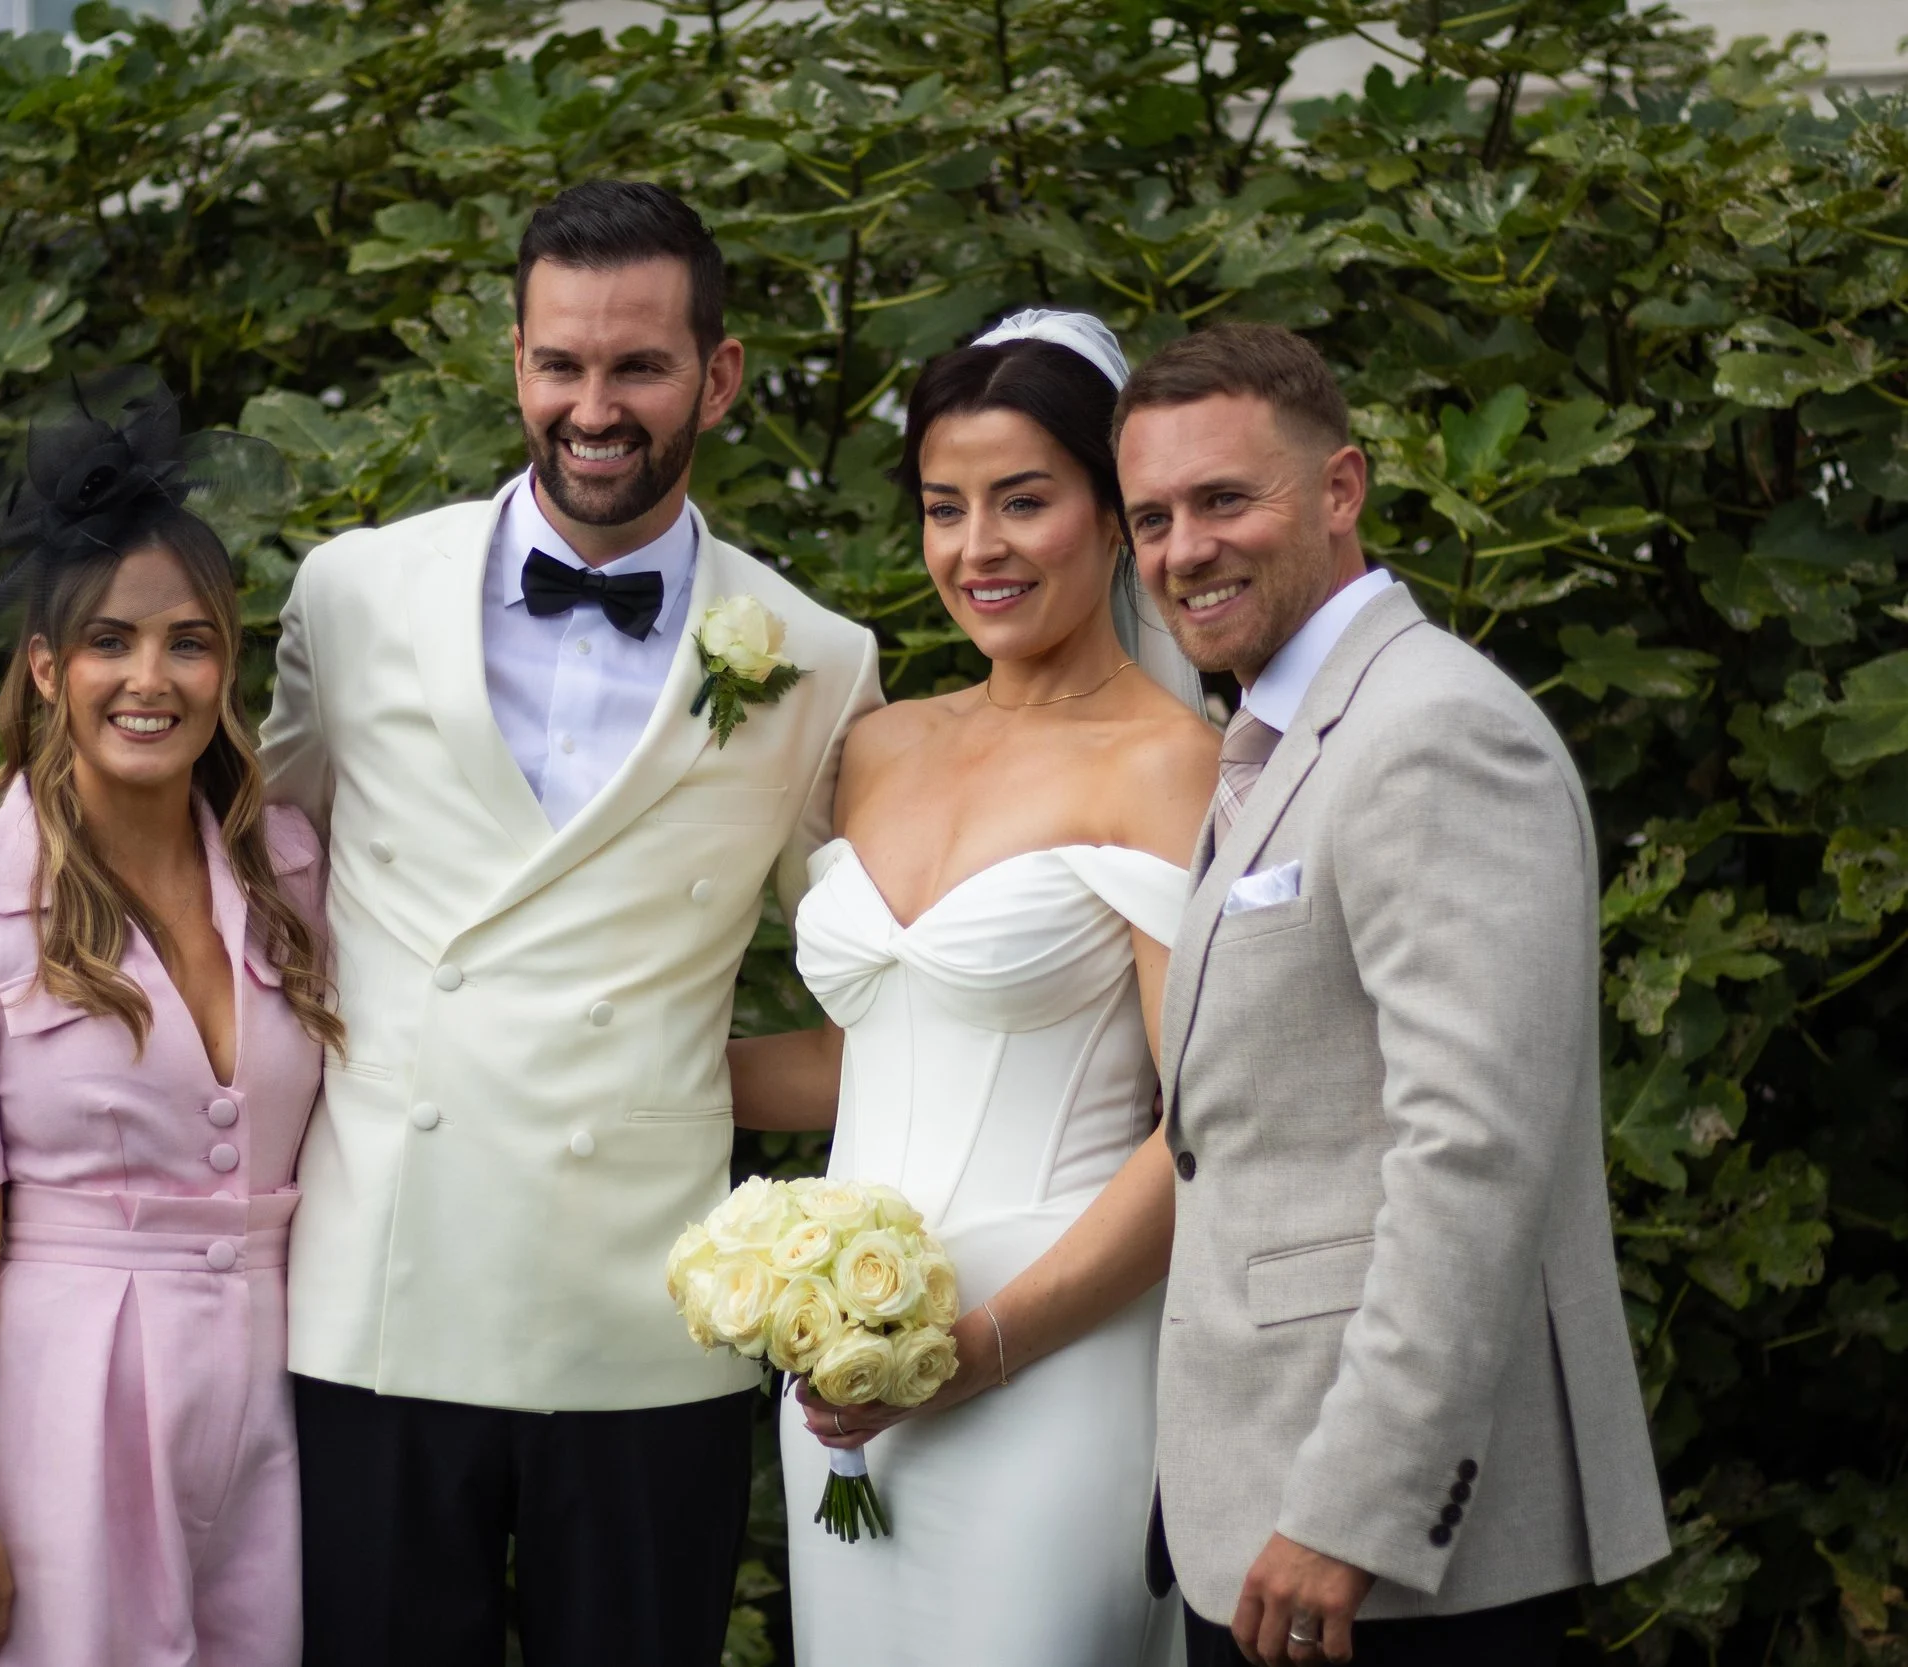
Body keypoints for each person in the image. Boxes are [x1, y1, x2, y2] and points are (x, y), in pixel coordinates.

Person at [260, 180, 882, 1667]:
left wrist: (678, 1082)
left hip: (646, 1318)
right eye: (561, 363)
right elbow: (236, 877)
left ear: (718, 377)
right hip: (380, 1295)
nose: (593, 409)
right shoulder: (350, 593)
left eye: (639, 367)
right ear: (517, 360)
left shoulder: (814, 660)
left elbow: (884, 1000)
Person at [1116, 322, 1670, 1666]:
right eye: (1152, 517)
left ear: (1341, 489)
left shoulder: (1433, 732)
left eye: (1224, 498)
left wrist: (1355, 1505)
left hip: (1384, 1555)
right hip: (1261, 1505)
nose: (1185, 548)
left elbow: (1471, 1151)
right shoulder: (1288, 731)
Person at [725, 310, 1215, 1663]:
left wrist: (977, 1346)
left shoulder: (1169, 764)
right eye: (946, 508)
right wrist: (625, 1067)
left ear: (1115, 515)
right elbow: (864, 1059)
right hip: (842, 1375)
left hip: (1052, 1365)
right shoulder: (880, 745)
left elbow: (1202, 1130)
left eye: (1023, 501)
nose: (977, 547)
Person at [0, 370, 332, 1667]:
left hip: (279, 1409)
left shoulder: (294, 873)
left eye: (189, 642)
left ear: (227, 666)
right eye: (112, 642)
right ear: (48, 669)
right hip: (63, 1414)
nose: (150, 678)